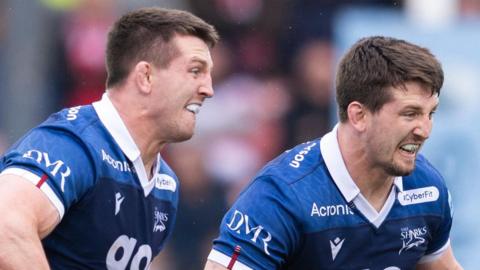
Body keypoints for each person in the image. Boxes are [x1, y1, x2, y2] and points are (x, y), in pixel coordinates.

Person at [204, 36, 463, 270]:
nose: (425, 130)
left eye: (431, 114)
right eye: (410, 114)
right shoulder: (281, 196)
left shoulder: (427, 188)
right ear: (359, 116)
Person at [0, 7, 218, 269]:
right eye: (195, 71)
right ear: (146, 77)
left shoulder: (165, 186)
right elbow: (6, 226)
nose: (208, 89)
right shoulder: (73, 145)